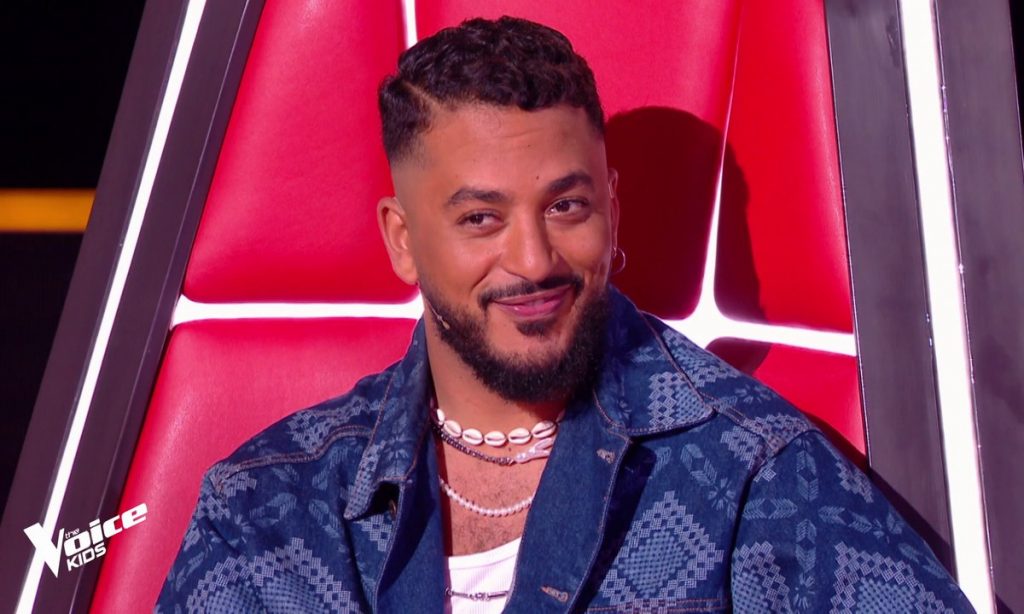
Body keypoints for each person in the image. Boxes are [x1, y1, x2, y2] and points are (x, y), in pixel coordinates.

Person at [157, 16, 973, 613]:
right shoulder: (267, 506)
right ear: (403, 241)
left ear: (611, 207)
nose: (533, 258)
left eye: (565, 206)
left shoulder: (755, 476)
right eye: (482, 218)